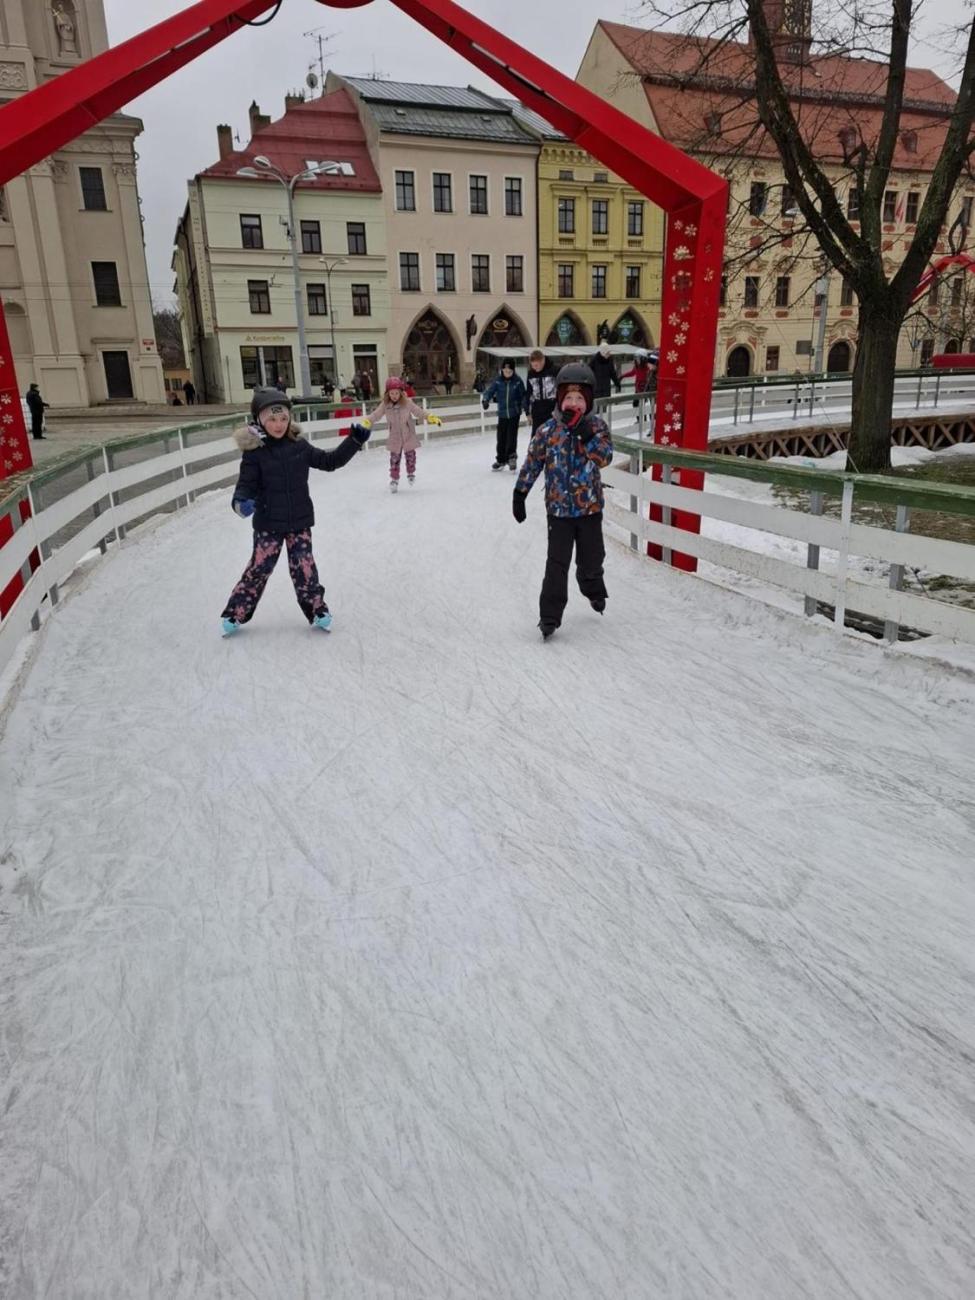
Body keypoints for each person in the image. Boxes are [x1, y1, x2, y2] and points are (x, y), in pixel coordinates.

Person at [219, 388, 370, 637]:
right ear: (259, 420)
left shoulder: (299, 445)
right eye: (271, 419)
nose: (278, 425)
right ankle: (234, 613)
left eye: (283, 419)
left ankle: (317, 610)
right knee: (258, 569)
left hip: (299, 521)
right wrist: (241, 503)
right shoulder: (254, 453)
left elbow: (329, 461)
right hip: (268, 523)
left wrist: (353, 441)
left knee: (304, 568)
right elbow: (244, 486)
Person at [511, 362, 613, 640]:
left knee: (592, 560)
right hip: (558, 511)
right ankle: (549, 616)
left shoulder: (598, 427)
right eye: (569, 397)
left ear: (588, 401)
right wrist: (520, 493)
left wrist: (584, 432)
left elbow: (604, 458)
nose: (574, 402)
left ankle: (592, 588)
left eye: (580, 398)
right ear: (559, 399)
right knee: (556, 565)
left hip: (590, 508)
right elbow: (532, 463)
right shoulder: (547, 431)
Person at [367, 375, 442, 493]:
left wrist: (430, 417)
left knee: (411, 457)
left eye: (396, 393)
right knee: (394, 460)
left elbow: (418, 411)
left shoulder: (407, 403)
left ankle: (411, 473)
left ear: (401, 393)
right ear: (388, 394)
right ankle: (394, 480)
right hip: (395, 437)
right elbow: (376, 414)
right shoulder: (385, 405)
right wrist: (367, 421)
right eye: (391, 393)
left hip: (408, 435)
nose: (394, 396)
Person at [482, 359, 527, 471]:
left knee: (511, 437)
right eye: (505, 369)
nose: (507, 371)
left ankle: (511, 458)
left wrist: (525, 407)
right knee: (501, 438)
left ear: (513, 370)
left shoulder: (517, 381)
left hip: (514, 413)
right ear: (502, 369)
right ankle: (501, 459)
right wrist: (486, 400)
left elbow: (524, 395)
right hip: (502, 413)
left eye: (509, 369)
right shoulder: (498, 381)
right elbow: (490, 391)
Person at [523, 348, 558, 433]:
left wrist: (559, 409)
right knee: (536, 437)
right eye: (533, 365)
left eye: (536, 365)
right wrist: (527, 412)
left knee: (551, 436)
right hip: (537, 411)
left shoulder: (554, 370)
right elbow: (528, 393)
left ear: (543, 361)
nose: (534, 368)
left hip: (552, 410)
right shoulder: (531, 374)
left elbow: (561, 390)